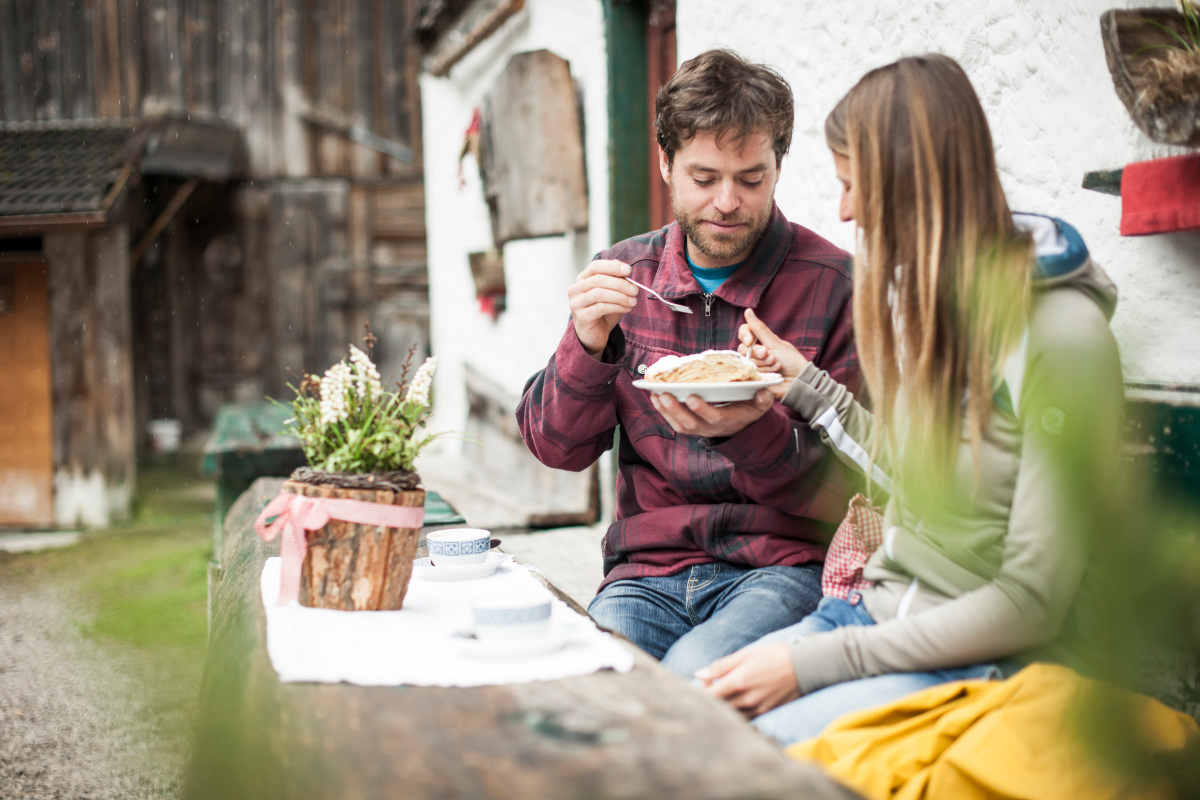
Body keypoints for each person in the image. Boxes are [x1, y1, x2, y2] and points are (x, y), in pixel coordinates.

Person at [696, 53, 1124, 743]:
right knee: (692, 722)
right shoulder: (938, 304)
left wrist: (814, 665)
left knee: (752, 754)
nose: (843, 211)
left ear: (908, 183)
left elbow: (1032, 600)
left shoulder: (1061, 336)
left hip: (975, 657)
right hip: (871, 615)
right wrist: (800, 383)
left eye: (851, 185)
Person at [516, 49, 860, 677]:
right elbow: (554, 448)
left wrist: (748, 431)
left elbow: (856, 489)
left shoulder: (832, 283)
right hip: (646, 572)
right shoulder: (626, 274)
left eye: (750, 179)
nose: (727, 202)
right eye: (704, 178)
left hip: (781, 569)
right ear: (666, 164)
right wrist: (587, 344)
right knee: (596, 683)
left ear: (778, 166)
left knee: (690, 681)